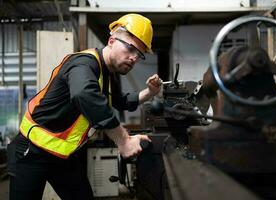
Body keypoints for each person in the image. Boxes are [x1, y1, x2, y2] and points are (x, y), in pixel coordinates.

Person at [8, 13, 162, 200]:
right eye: (130, 48)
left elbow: (119, 101)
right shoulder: (84, 63)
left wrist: (150, 93)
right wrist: (124, 141)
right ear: (112, 40)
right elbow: (84, 94)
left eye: (139, 55)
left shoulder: (108, 73)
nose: (133, 58)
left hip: (62, 155)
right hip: (31, 151)